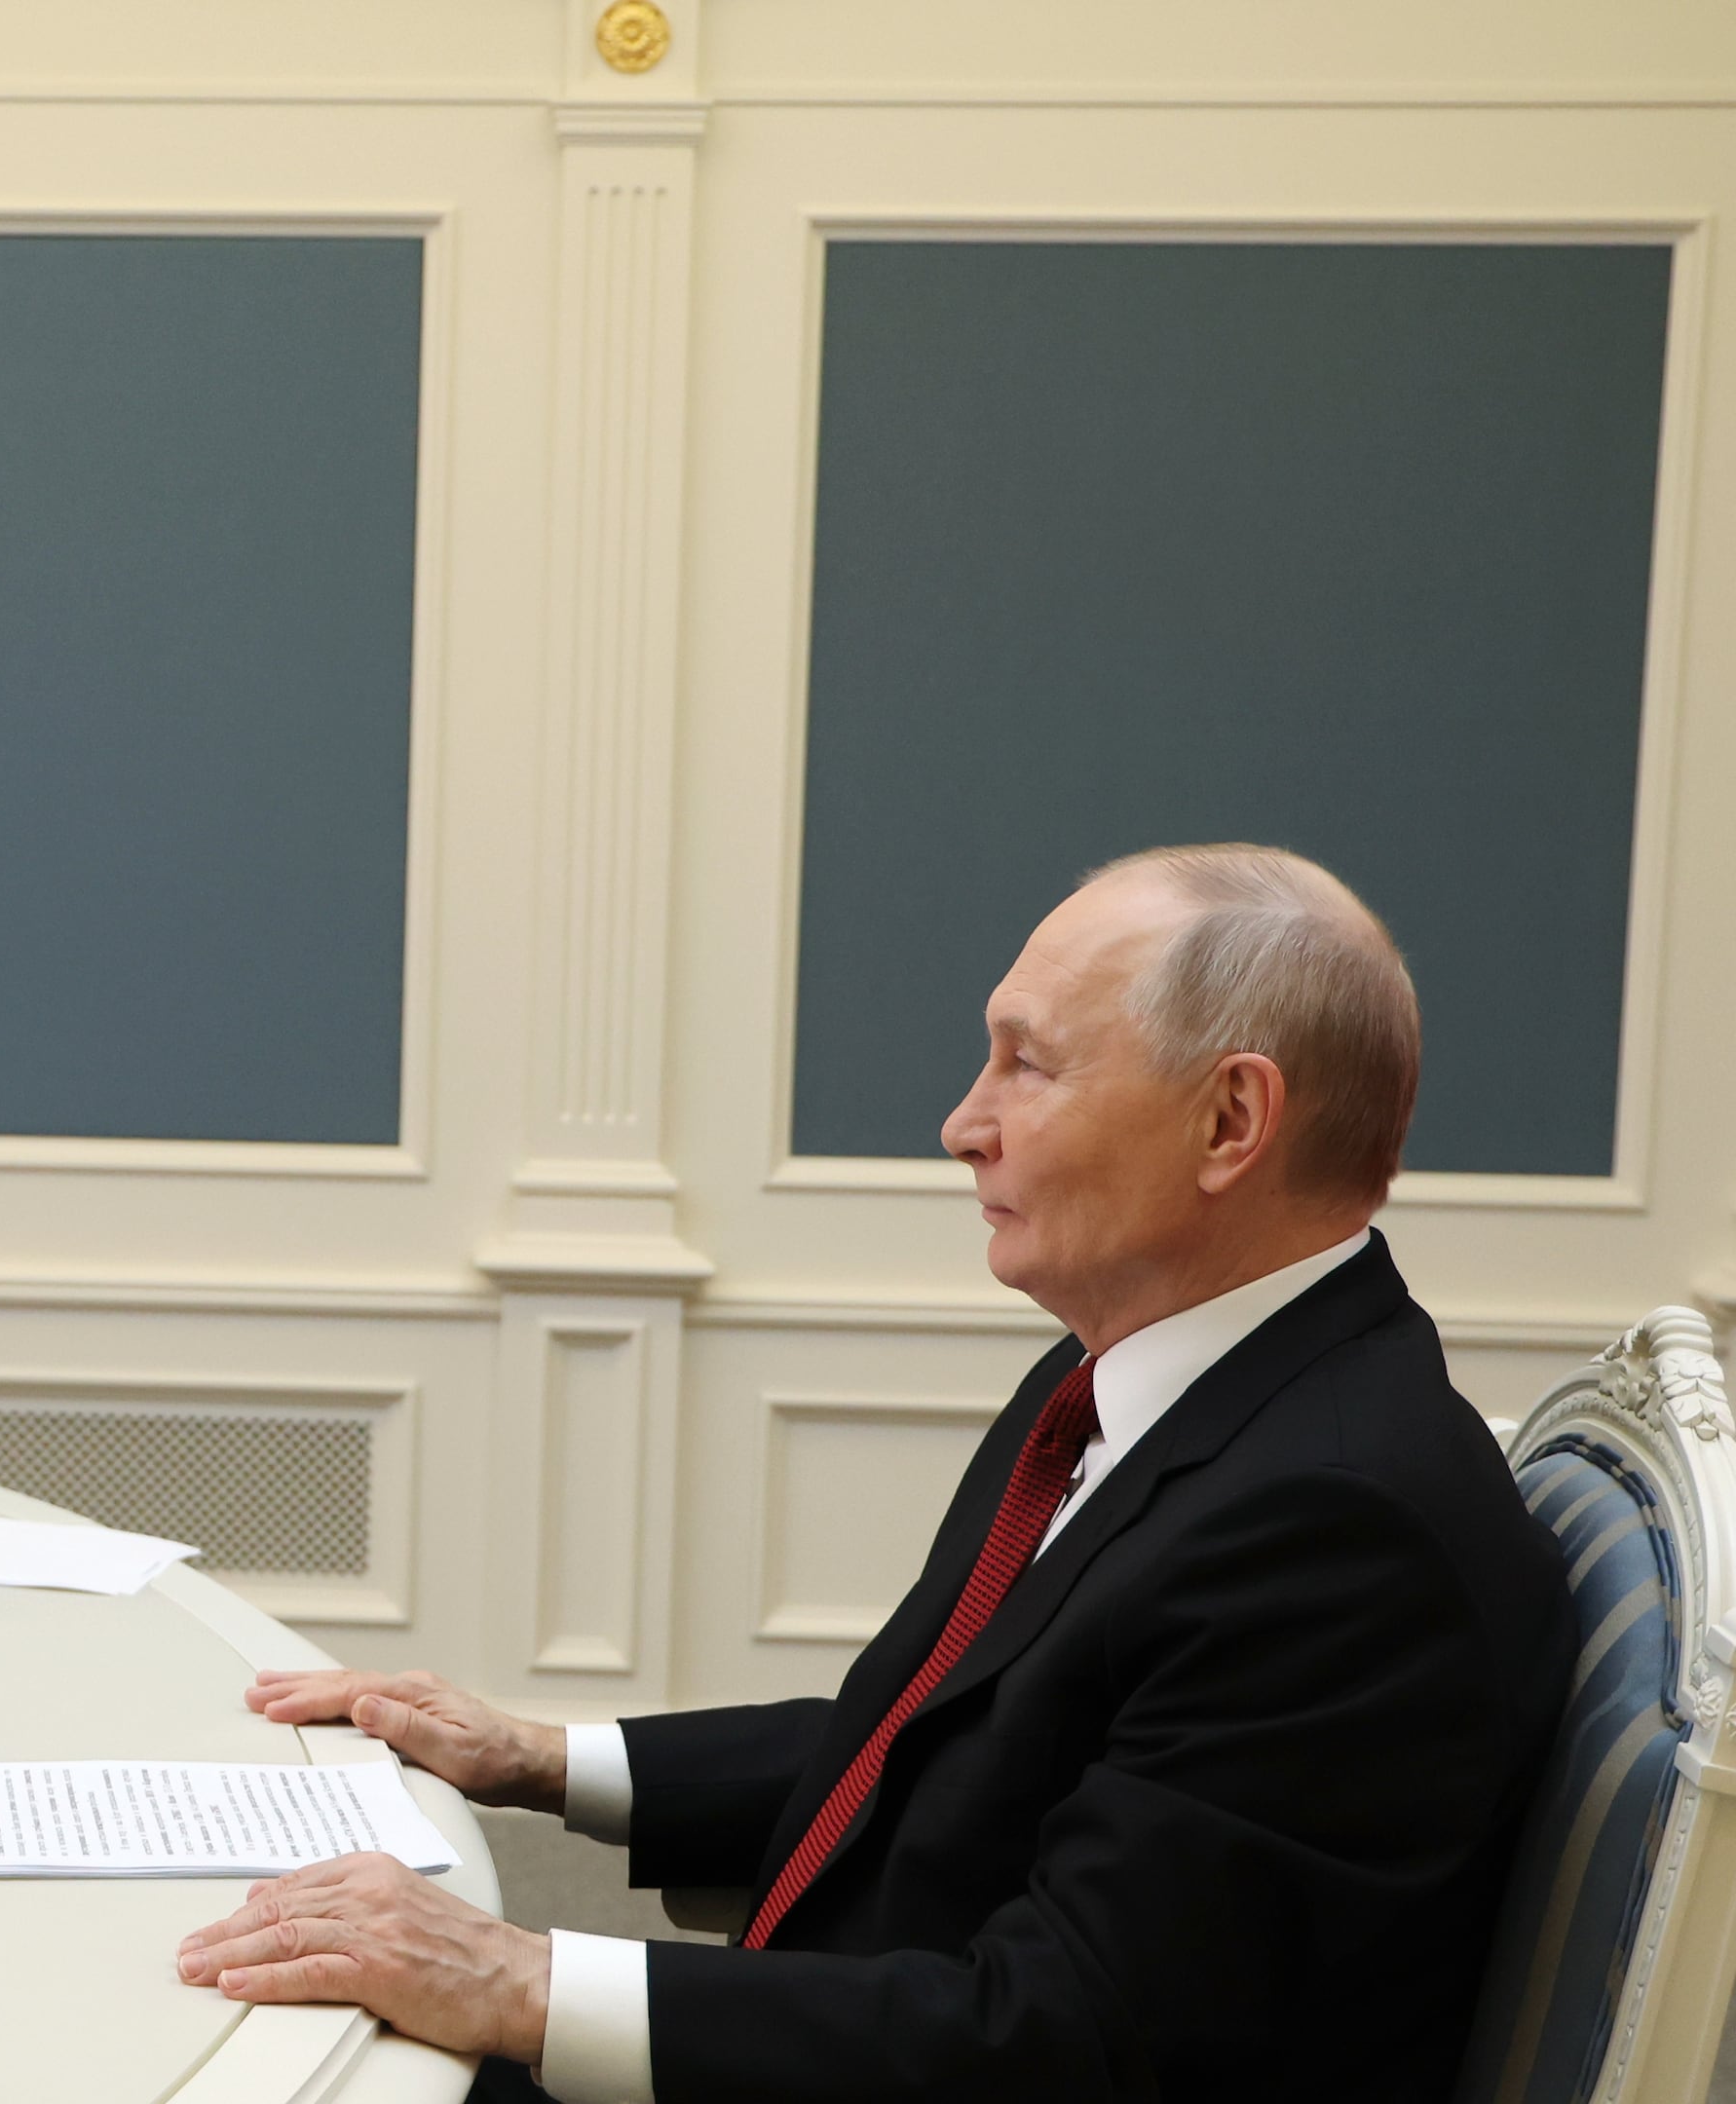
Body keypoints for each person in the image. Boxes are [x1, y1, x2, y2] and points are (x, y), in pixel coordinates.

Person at [176, 845, 1579, 2101]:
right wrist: (544, 1760)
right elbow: (944, 1746)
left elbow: (1067, 2040)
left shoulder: (1341, 1527)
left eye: (1028, 1064)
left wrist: (517, 1982)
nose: (965, 1124)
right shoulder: (1149, 1381)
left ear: (1230, 1123)